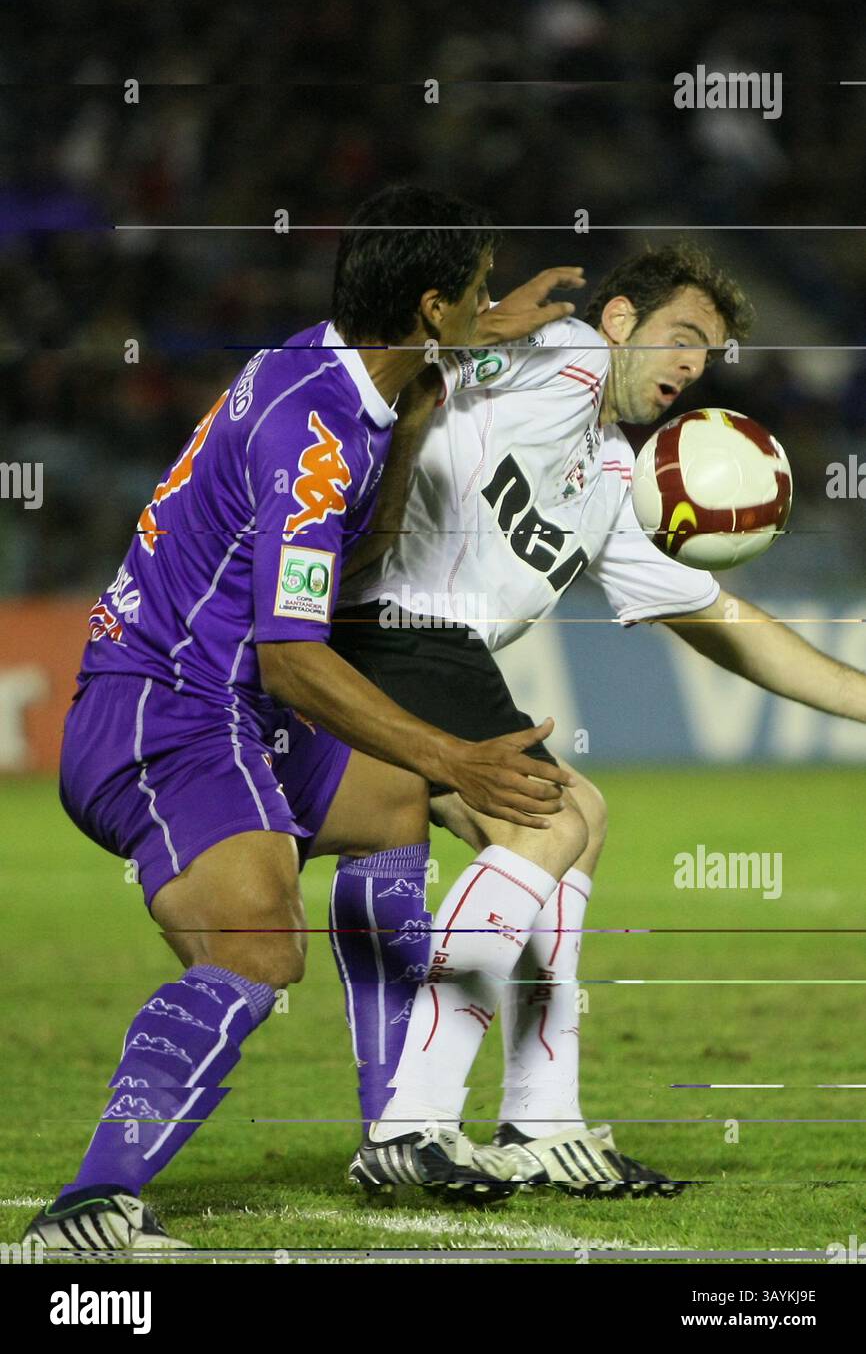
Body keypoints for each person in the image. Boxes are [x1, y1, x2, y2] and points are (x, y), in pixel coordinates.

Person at [23, 184, 582, 1252]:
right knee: (256, 946)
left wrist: (439, 383)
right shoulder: (315, 433)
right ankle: (90, 1202)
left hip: (212, 695)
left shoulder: (331, 368)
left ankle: (395, 1128)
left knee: (387, 805)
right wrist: (454, 750)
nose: (481, 312)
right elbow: (290, 661)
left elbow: (347, 557)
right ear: (424, 308)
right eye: (469, 298)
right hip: (162, 709)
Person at [329, 242, 866, 1198]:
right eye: (682, 339)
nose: (694, 369)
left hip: (437, 650)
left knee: (581, 821)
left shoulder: (614, 478)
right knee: (548, 820)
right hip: (393, 622)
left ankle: (543, 1125)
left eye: (710, 357)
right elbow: (422, 354)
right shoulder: (563, 351)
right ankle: (410, 1127)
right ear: (619, 323)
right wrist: (481, 327)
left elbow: (724, 622)